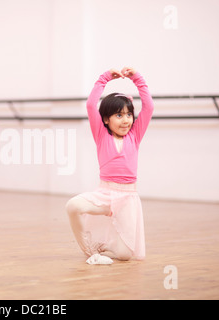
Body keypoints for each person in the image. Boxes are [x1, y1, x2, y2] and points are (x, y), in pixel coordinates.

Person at [65, 67, 154, 265]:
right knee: (73, 206)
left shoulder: (135, 136)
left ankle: (108, 246)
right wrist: (104, 79)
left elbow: (148, 107)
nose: (126, 120)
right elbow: (90, 105)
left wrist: (136, 79)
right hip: (105, 194)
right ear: (106, 119)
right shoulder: (101, 135)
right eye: (119, 116)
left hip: (127, 198)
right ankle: (89, 249)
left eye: (128, 115)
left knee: (124, 255)